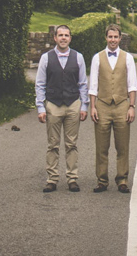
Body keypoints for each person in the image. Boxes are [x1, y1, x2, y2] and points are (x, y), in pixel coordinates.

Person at [35, 24, 89, 192]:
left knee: (71, 143)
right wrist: (41, 108)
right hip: (53, 105)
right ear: (55, 38)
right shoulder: (46, 58)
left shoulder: (78, 57)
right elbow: (40, 84)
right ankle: (52, 179)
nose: (63, 38)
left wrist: (84, 105)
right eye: (61, 35)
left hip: (73, 104)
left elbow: (83, 83)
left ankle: (72, 178)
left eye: (66, 35)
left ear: (70, 38)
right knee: (53, 144)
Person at [89, 23, 137, 193]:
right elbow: (93, 85)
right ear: (106, 38)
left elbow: (132, 85)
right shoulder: (97, 57)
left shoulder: (128, 58)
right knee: (101, 146)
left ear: (120, 38)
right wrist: (93, 107)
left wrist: (131, 106)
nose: (113, 40)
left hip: (122, 105)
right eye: (110, 37)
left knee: (122, 146)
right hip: (102, 105)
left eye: (116, 37)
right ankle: (102, 180)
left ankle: (122, 179)